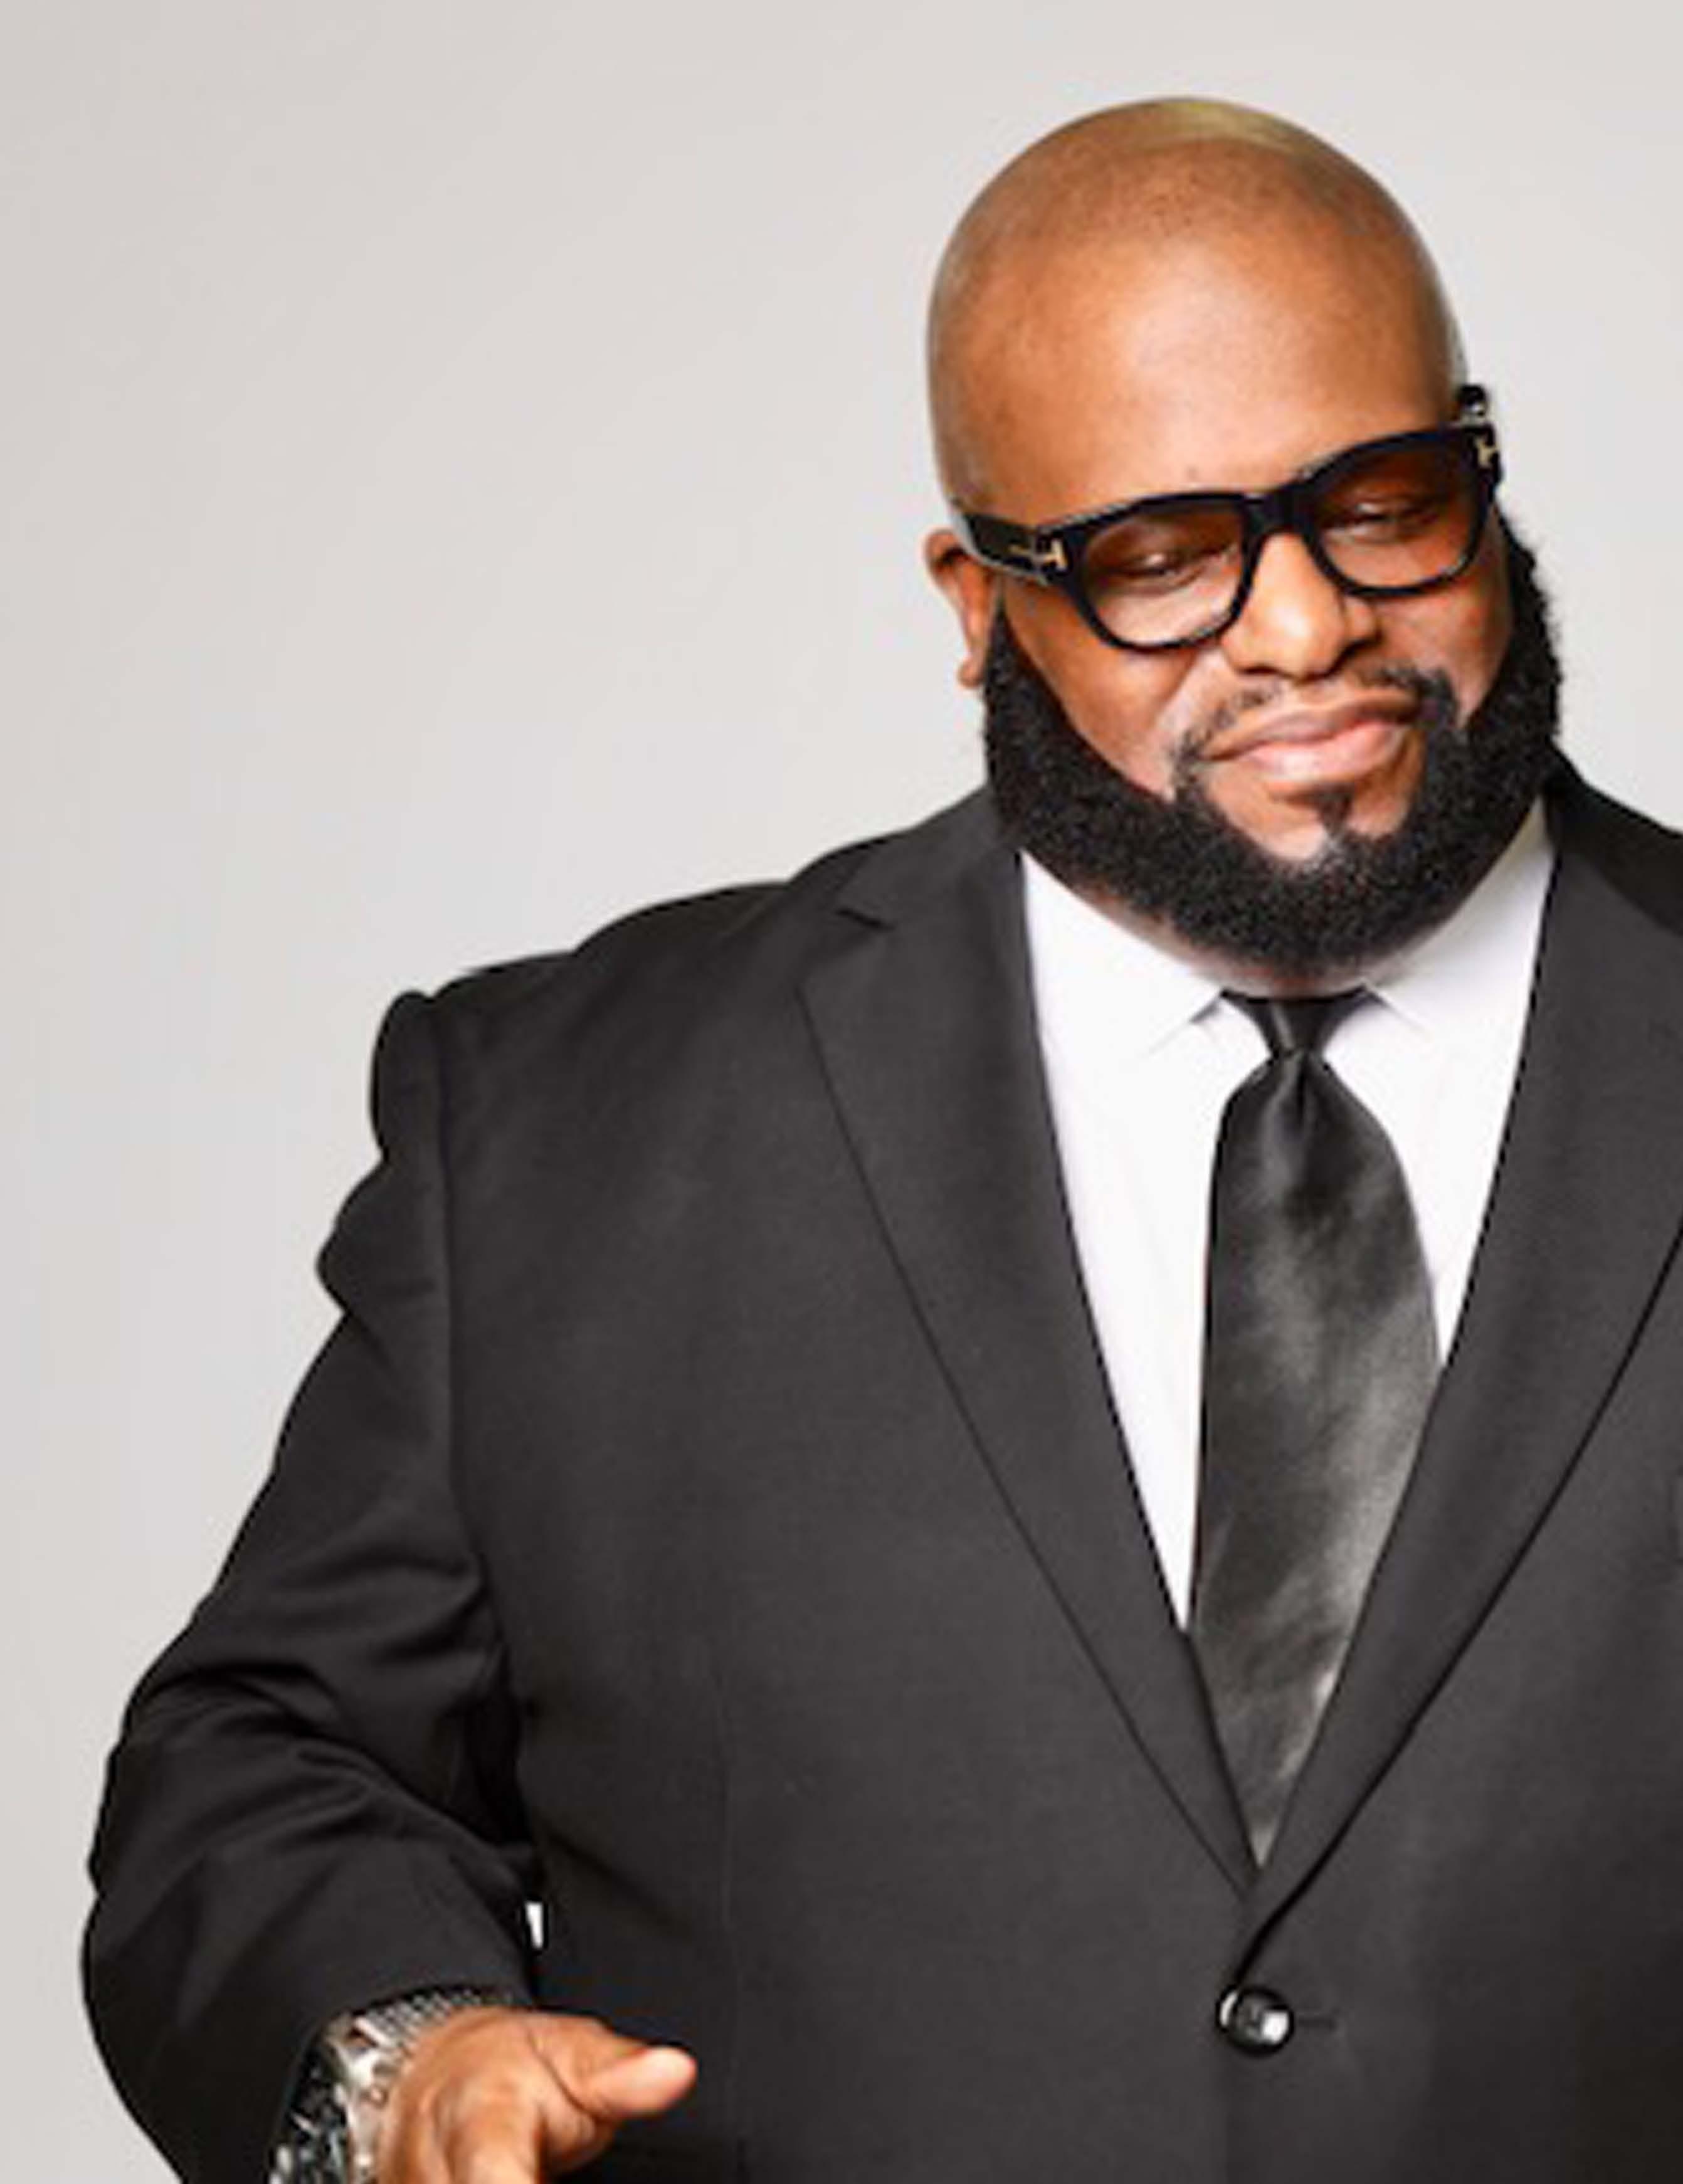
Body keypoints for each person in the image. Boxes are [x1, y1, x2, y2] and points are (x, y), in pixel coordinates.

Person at [85, 97, 1683, 2184]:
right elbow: (258, 1763)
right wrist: (409, 2053)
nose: (1302, 627)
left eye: (1382, 502)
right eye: (1160, 557)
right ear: (975, 601)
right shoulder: (564, 1126)